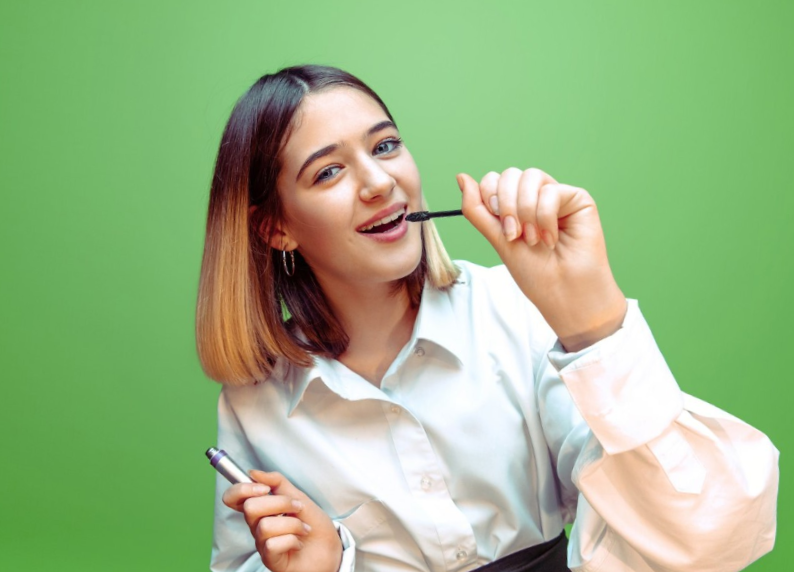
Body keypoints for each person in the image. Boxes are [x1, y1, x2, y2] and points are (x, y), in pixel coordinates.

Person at [196, 64, 779, 572]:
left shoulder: (512, 310)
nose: (380, 182)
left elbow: (709, 541)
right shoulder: (254, 400)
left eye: (385, 146)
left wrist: (595, 323)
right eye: (328, 172)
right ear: (276, 228)